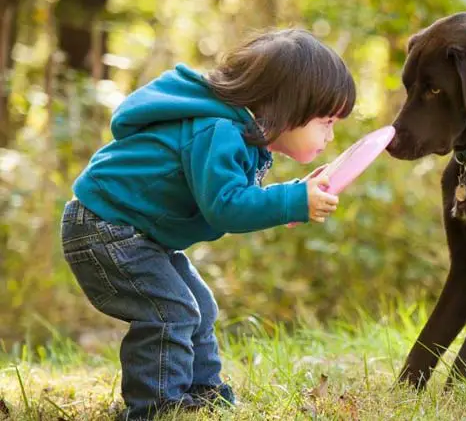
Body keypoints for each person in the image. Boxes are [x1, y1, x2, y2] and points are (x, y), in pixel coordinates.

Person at [59, 29, 356, 420]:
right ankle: (158, 407)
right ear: (286, 106)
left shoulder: (236, 133)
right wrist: (291, 203)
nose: (330, 135)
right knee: (171, 311)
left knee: (199, 305)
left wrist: (291, 199)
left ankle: (203, 391)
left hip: (134, 233)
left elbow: (235, 196)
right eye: (326, 121)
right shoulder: (217, 130)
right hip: (105, 229)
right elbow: (226, 206)